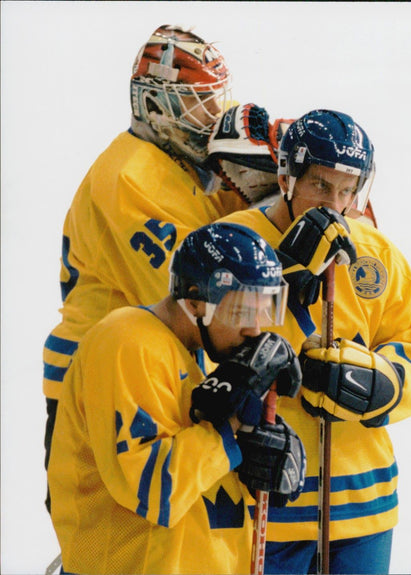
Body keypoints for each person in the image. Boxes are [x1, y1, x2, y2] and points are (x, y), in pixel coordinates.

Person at [41, 23, 286, 511]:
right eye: (199, 103)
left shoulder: (179, 165)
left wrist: (268, 187)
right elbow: (194, 285)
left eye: (217, 100)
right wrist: (277, 216)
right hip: (96, 374)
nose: (214, 116)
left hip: (154, 366)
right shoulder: (128, 176)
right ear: (155, 106)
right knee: (112, 528)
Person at [217, 109, 411, 574]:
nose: (335, 204)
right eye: (321, 185)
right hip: (262, 501)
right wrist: (280, 278)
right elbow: (204, 354)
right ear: (287, 176)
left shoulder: (377, 253)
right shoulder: (231, 242)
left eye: (347, 190)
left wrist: (386, 385)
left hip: (364, 505)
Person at [48, 222, 307, 573]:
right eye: (241, 312)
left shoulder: (195, 352)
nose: (255, 330)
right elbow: (154, 490)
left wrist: (253, 441)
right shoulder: (127, 342)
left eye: (262, 311)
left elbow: (200, 465)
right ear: (196, 301)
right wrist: (229, 433)